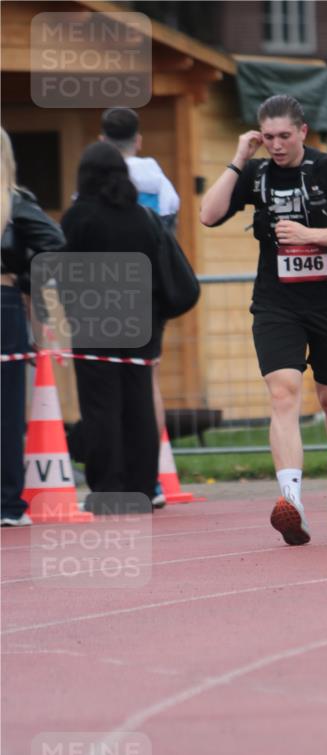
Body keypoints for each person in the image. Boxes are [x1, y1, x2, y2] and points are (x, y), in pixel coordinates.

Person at [200, 94, 327, 546]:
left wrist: (311, 234)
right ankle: (291, 501)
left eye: (285, 136)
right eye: (269, 137)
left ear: (302, 132)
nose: (277, 145)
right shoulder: (256, 173)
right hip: (277, 303)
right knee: (283, 392)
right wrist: (240, 157)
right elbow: (208, 214)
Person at [61, 142, 168, 509]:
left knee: (100, 408)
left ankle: (108, 489)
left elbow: (65, 272)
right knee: (138, 404)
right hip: (141, 321)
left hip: (94, 322)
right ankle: (142, 486)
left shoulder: (80, 217)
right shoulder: (141, 216)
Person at [100, 106, 181, 508]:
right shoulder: (160, 183)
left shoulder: (95, 180)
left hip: (105, 294)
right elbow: (169, 238)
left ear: (102, 140)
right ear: (140, 140)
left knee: (108, 387)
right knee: (147, 381)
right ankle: (152, 481)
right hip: (149, 293)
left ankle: (117, 479)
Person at [1, 126, 65, 527]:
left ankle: (7, 502)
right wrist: (27, 279)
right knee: (5, 410)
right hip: (4, 304)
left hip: (6, 303)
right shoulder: (14, 203)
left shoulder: (15, 204)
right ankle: (6, 503)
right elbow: (55, 243)